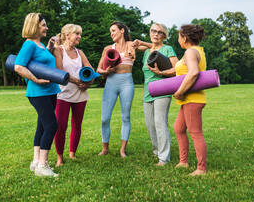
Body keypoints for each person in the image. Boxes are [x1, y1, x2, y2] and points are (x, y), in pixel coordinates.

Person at [14, 13, 60, 177]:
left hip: (50, 90)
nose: (46, 27)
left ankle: (36, 161)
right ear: (34, 26)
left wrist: (50, 48)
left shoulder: (39, 45)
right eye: (43, 25)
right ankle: (42, 165)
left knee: (42, 125)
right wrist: (35, 79)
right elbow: (18, 66)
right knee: (51, 125)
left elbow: (41, 62)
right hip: (39, 92)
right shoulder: (29, 45)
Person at [132, 23, 178, 166]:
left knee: (160, 123)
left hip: (162, 89)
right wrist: (135, 44)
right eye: (153, 31)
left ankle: (164, 158)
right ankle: (157, 150)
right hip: (148, 92)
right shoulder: (147, 51)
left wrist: (162, 73)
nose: (156, 34)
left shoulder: (167, 49)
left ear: (164, 36)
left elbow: (177, 69)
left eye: (159, 32)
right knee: (150, 124)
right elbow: (138, 46)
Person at [48, 24, 93, 167]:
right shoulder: (58, 50)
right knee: (61, 126)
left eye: (80, 34)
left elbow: (90, 69)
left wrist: (88, 83)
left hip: (80, 93)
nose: (79, 36)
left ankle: (72, 153)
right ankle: (59, 157)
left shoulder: (80, 52)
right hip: (63, 93)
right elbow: (60, 71)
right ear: (67, 35)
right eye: (76, 34)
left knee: (77, 125)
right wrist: (77, 80)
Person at [96, 21, 136, 158]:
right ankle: (105, 148)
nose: (111, 33)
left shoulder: (131, 45)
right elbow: (98, 69)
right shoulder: (108, 48)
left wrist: (135, 46)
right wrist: (106, 71)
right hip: (111, 82)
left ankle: (122, 150)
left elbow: (144, 45)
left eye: (113, 30)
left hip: (127, 82)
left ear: (122, 31)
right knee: (104, 118)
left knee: (125, 116)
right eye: (110, 31)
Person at [172, 24, 207, 176]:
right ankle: (183, 162)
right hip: (188, 99)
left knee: (195, 132)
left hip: (192, 98)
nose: (178, 39)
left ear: (184, 38)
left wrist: (180, 91)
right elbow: (182, 69)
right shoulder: (195, 51)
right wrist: (161, 71)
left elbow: (193, 73)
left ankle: (201, 168)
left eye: (179, 36)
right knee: (178, 129)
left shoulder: (191, 52)